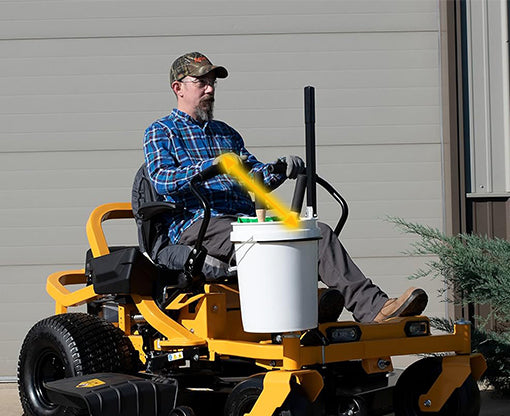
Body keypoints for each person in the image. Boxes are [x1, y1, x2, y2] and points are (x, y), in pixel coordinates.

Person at [143, 52, 428, 323]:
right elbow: (162, 179)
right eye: (201, 82)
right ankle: (301, 305)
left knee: (317, 232)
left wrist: (279, 168)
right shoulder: (162, 131)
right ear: (178, 88)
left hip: (244, 221)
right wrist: (209, 166)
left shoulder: (226, 133)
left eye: (212, 83)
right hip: (199, 224)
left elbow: (254, 176)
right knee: (266, 243)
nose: (210, 89)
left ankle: (374, 307)